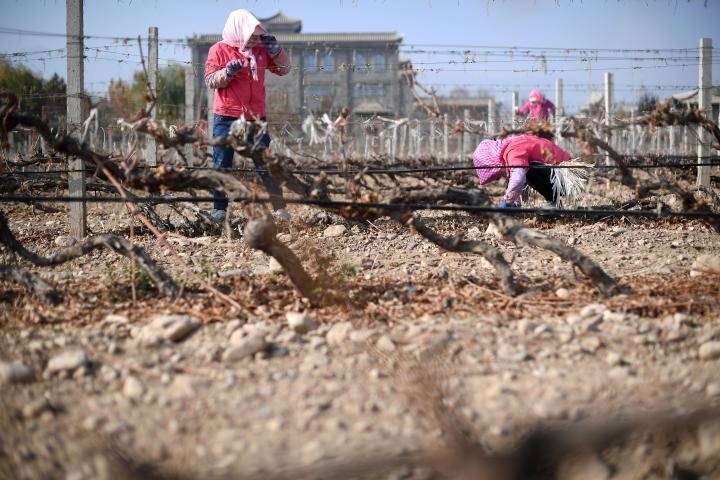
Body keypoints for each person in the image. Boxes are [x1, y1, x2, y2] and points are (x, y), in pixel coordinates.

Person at [204, 9, 292, 223]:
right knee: (222, 162)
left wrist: (277, 51)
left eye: (258, 35)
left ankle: (279, 209)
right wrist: (227, 72)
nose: (255, 39)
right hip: (227, 114)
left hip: (255, 116)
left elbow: (284, 69)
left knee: (265, 163)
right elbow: (210, 80)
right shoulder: (219, 49)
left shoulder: (261, 51)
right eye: (251, 35)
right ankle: (219, 210)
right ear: (239, 30)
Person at [472, 134, 584, 208]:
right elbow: (516, 182)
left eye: (496, 174)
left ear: (495, 162)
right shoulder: (511, 148)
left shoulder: (513, 150)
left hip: (568, 178)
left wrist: (508, 202)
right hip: (561, 175)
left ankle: (553, 202)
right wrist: (515, 204)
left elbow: (518, 179)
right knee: (522, 172)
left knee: (528, 171)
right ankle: (554, 203)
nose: (498, 178)